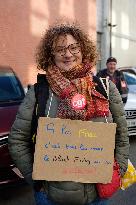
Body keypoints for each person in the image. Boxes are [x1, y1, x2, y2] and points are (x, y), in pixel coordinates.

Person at [8, 23, 129, 205]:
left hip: (97, 196)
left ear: (83, 50)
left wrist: (118, 170)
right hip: (51, 198)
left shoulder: (105, 88)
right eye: (60, 49)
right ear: (51, 54)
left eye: (74, 47)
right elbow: (17, 139)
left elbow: (121, 135)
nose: (68, 54)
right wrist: (36, 179)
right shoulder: (39, 92)